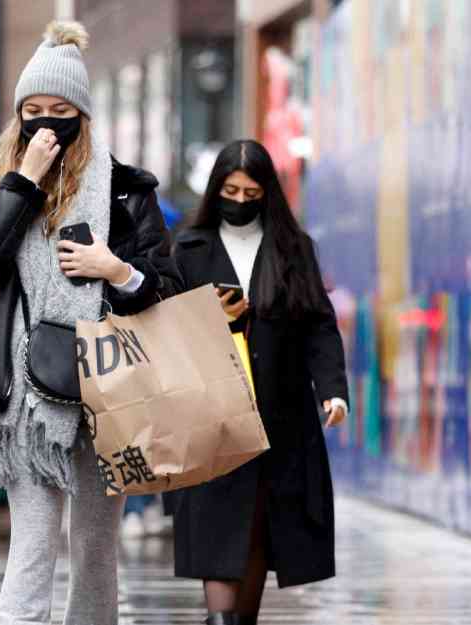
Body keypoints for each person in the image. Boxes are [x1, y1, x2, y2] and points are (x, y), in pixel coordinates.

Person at [0, 21, 183, 625]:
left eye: (61, 109)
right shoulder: (0, 185)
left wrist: (115, 269)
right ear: (18, 115)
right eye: (33, 109)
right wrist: (23, 178)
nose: (47, 121)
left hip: (108, 388)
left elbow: (166, 286)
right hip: (25, 398)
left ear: (83, 113)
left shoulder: (127, 193)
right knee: (31, 544)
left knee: (97, 549)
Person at [170, 139, 349, 625]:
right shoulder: (188, 247)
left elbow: (319, 325)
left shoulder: (294, 249)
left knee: (255, 528)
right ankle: (221, 619)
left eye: (251, 192)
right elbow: (164, 328)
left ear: (267, 192)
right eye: (230, 189)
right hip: (210, 414)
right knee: (216, 523)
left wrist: (332, 391)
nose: (240, 201)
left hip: (280, 414)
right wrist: (213, 316)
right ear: (216, 189)